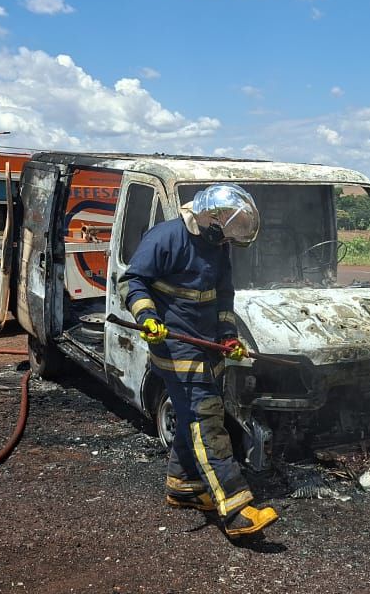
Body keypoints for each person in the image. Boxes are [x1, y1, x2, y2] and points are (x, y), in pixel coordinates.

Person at [119, 183, 279, 539]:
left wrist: (228, 338)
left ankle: (184, 486)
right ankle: (235, 508)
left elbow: (223, 297)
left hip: (207, 346)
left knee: (193, 414)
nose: (226, 241)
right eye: (225, 233)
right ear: (212, 218)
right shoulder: (167, 237)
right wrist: (147, 318)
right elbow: (131, 283)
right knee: (207, 421)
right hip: (175, 345)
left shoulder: (218, 245)